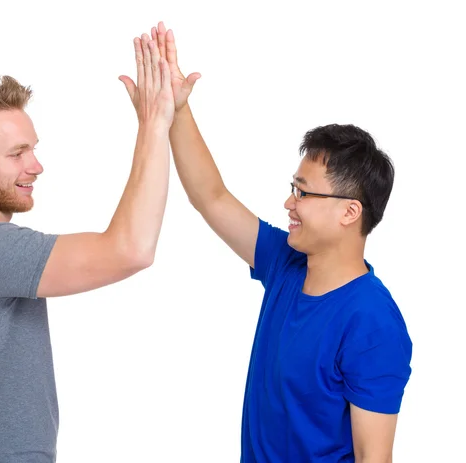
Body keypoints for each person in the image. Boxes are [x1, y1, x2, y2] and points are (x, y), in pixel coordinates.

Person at [141, 21, 413, 462]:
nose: (290, 201)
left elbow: (373, 458)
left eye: (304, 192)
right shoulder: (286, 263)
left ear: (350, 212)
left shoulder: (373, 324)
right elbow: (210, 197)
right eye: (293, 186)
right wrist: (178, 110)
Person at [0, 35, 174, 463]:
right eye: (17, 153)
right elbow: (131, 249)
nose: (35, 166)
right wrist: (154, 123)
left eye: (33, 149)